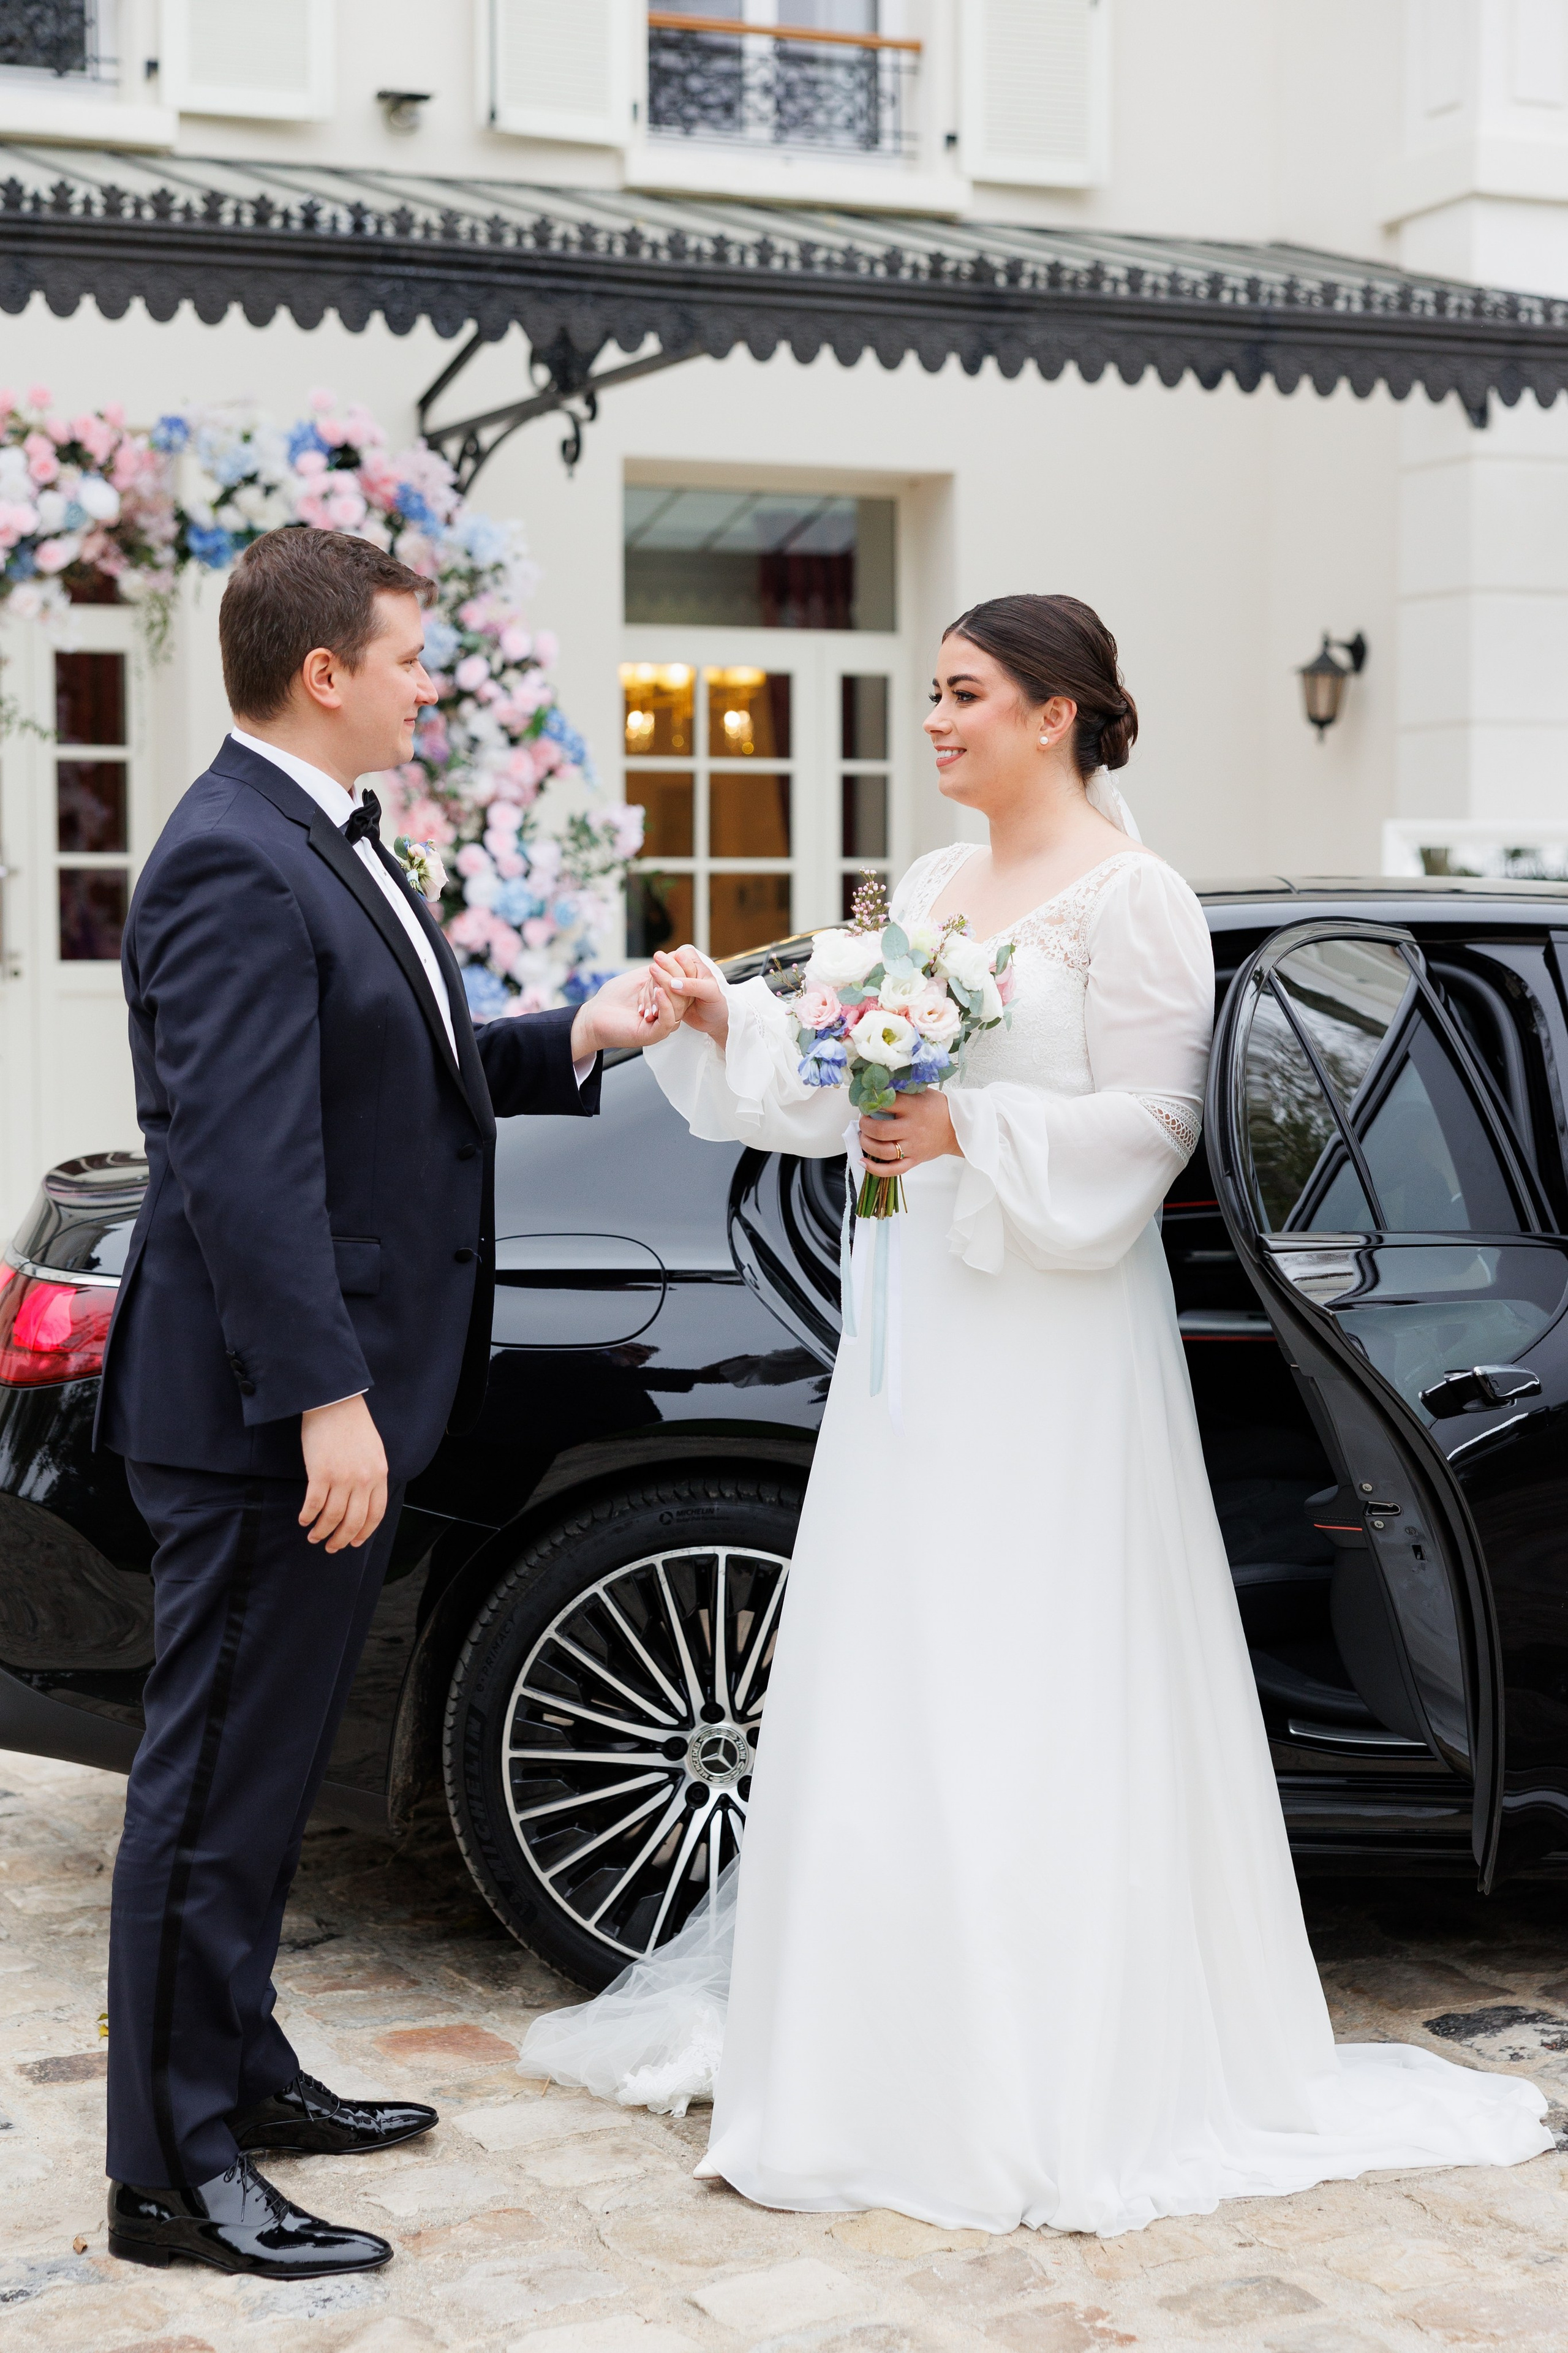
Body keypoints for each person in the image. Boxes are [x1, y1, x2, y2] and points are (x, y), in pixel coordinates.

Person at [521, 593, 1550, 2237]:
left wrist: (969, 1133)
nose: (935, 720)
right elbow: (844, 1078)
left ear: (1057, 713)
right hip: (920, 1320)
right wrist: (734, 1022)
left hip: (1055, 1331)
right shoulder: (929, 888)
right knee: (908, 1650)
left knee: (1040, 1653)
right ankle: (877, 2060)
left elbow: (1155, 1128)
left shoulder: (1139, 901)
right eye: (933, 693)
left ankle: (1046, 2075)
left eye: (964, 693)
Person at [96, 527, 679, 2279]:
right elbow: (244, 1169)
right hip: (263, 1421)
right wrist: (323, 1399)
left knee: (268, 1773)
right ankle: (168, 2174)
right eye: (412, 658)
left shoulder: (323, 835)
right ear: (326, 671)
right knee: (207, 1788)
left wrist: (582, 1032)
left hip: (325, 1403)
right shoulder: (232, 858)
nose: (432, 686)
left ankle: (239, 2068)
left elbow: (400, 1084)